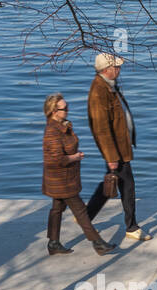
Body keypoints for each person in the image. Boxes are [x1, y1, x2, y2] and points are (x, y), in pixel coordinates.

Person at [84, 52, 152, 242]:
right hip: (116, 150)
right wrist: (111, 156)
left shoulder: (109, 86)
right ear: (107, 69)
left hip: (120, 147)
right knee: (127, 186)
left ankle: (85, 217)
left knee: (112, 184)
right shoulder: (99, 91)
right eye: (117, 67)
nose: (120, 69)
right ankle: (131, 227)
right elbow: (101, 128)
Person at [41, 93, 116, 256]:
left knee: (57, 208)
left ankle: (53, 243)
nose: (68, 110)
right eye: (64, 108)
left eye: (67, 107)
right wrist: (75, 157)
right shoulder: (53, 132)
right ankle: (98, 243)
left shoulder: (62, 125)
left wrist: (68, 127)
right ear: (54, 111)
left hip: (63, 178)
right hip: (62, 180)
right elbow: (58, 159)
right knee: (81, 210)